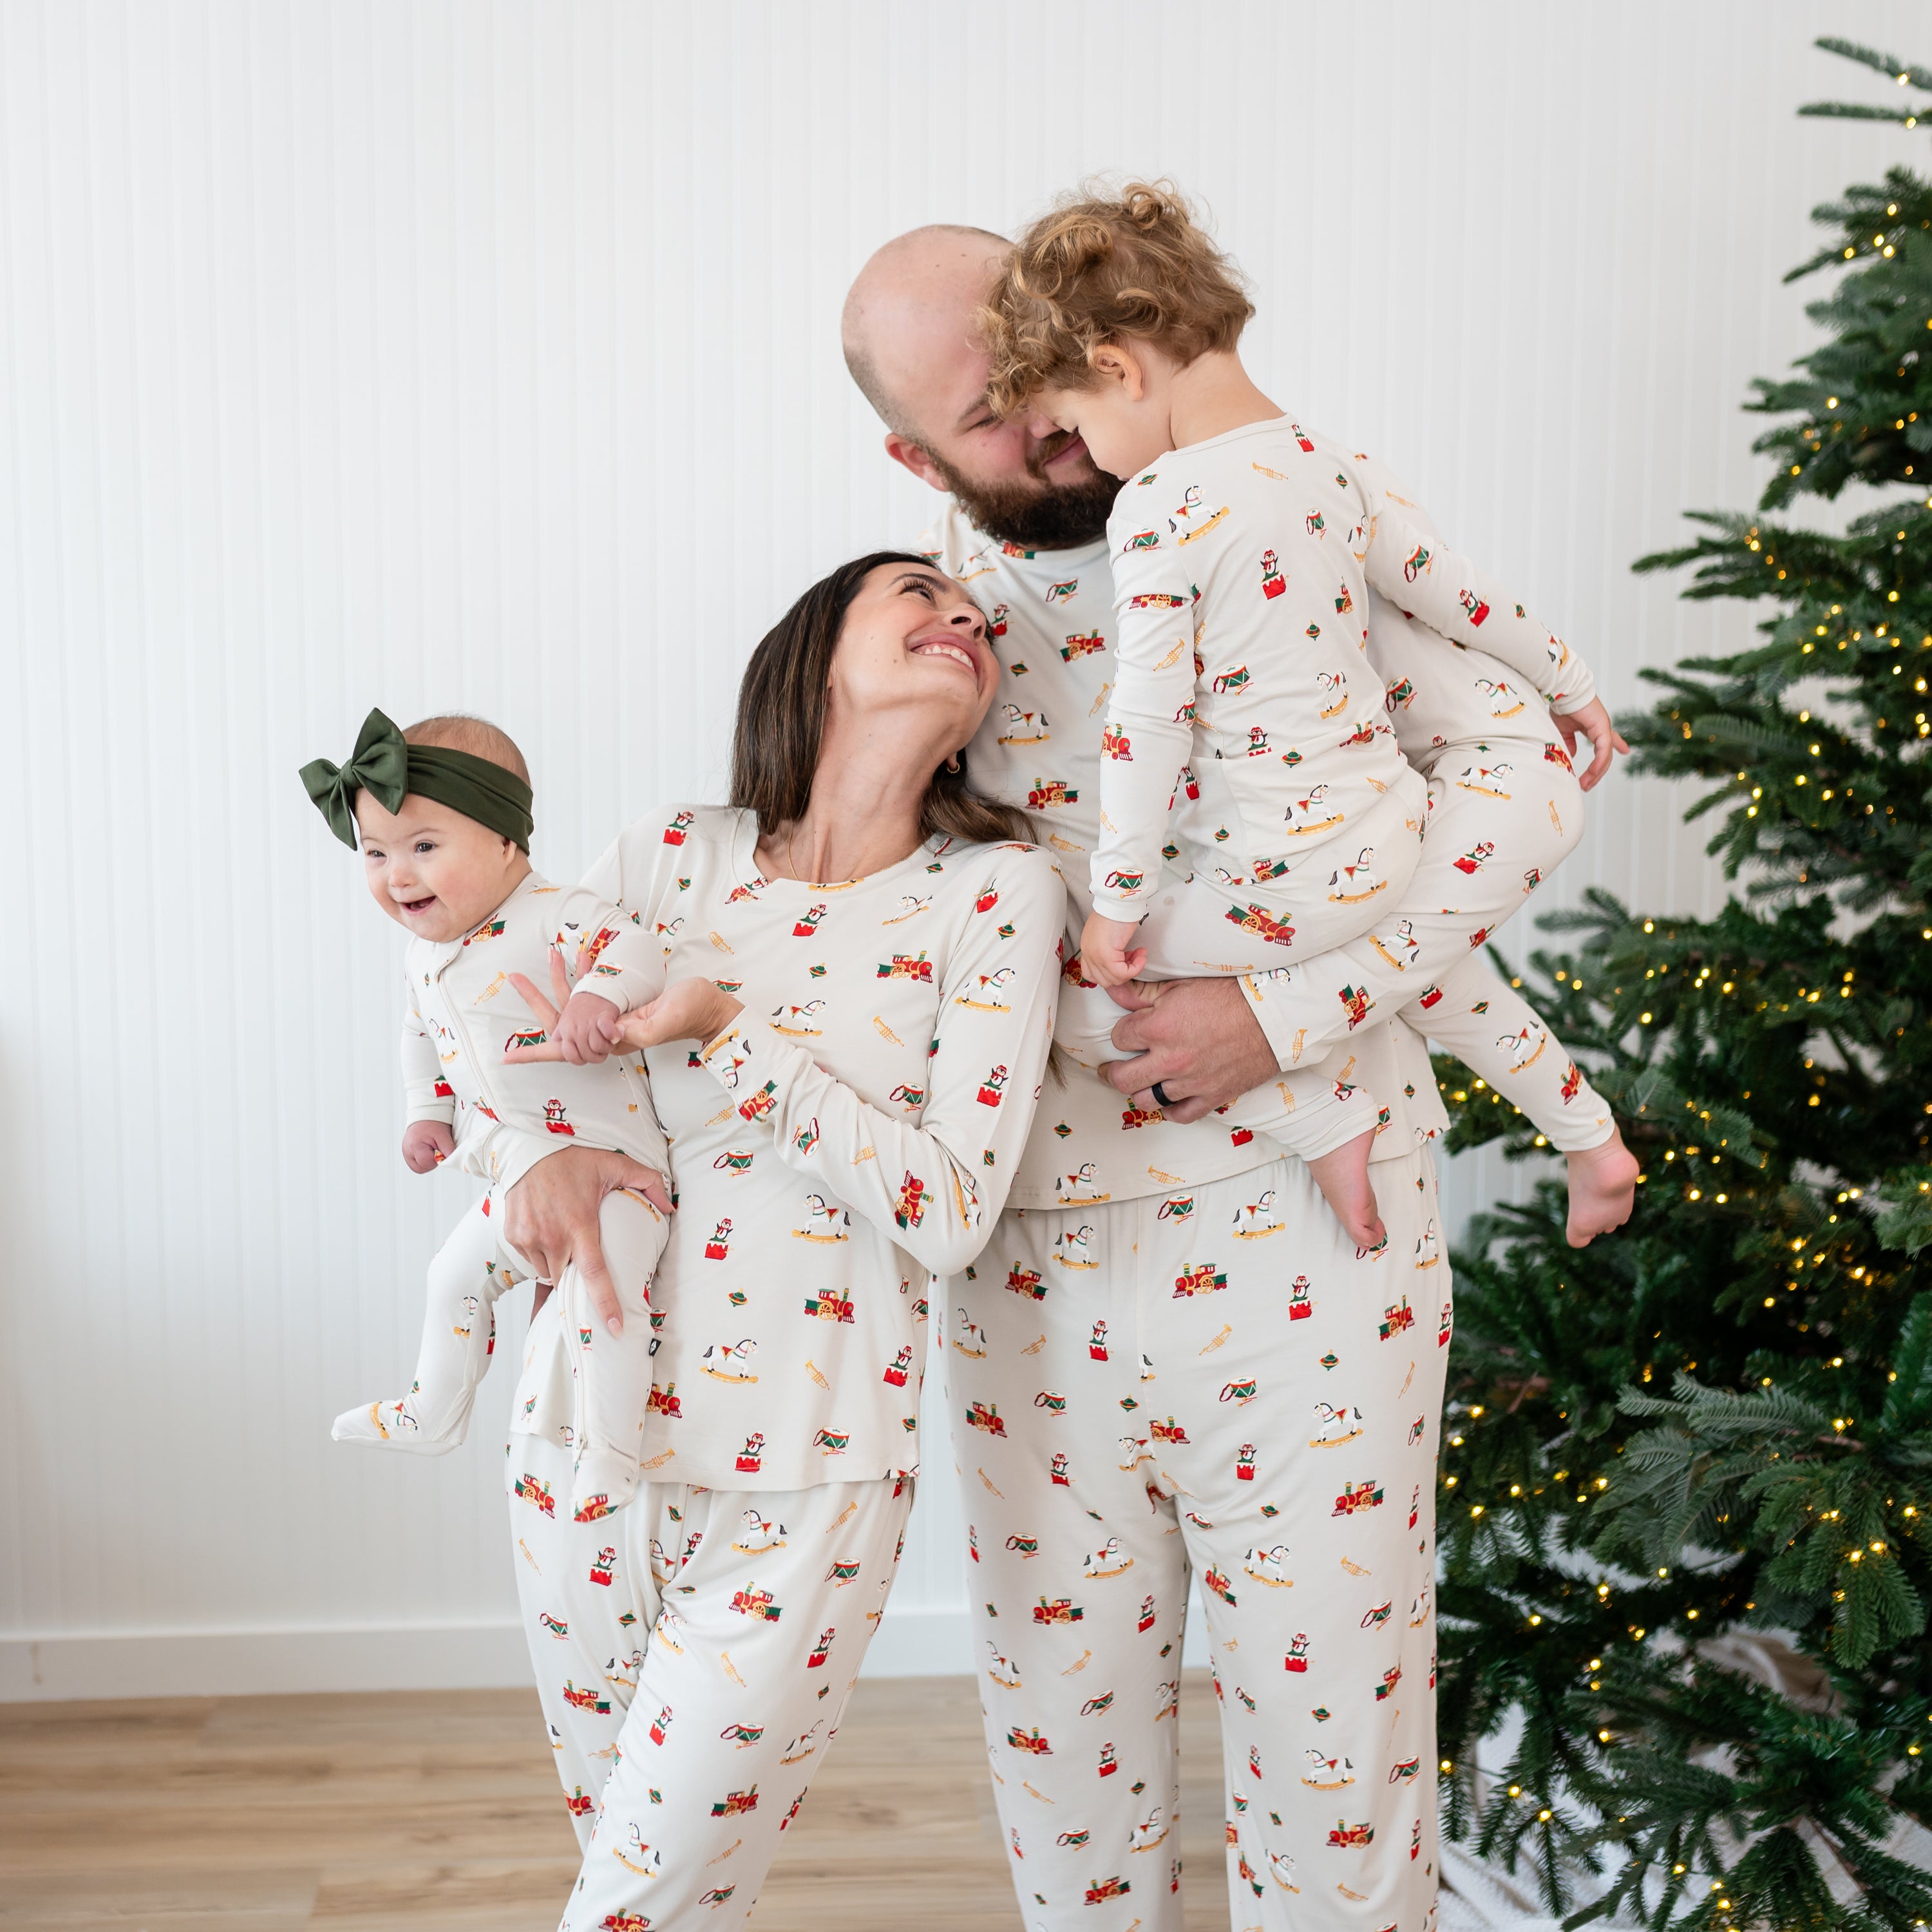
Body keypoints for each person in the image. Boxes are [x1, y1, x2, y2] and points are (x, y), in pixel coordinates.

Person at [833, 222, 1636, 1932]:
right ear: (914, 457)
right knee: (1067, 1760)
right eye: (995, 413)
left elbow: (1532, 759)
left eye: (1054, 364)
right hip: (1030, 1274)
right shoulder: (909, 638)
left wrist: (1294, 1014)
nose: (1053, 420)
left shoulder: (1268, 515)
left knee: (1336, 1762)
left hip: (1307, 1241)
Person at [490, 553, 1065, 1930]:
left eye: (979, 622)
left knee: (642, 1902)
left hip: (805, 1469)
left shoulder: (992, 897)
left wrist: (730, 1037)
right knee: (639, 1876)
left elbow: (947, 1207)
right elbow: (505, 1059)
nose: (965, 621)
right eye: (919, 594)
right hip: (582, 1433)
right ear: (813, 653)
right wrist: (532, 1152)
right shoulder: (667, 853)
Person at [973, 182, 1631, 1244]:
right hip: (1396, 833)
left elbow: (1147, 720)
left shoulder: (1161, 504)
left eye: (1078, 426)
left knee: (1059, 982)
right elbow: (1449, 585)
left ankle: (1321, 1119)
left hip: (1321, 864)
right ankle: (1589, 1137)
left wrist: (1119, 901)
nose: (1086, 457)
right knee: (1427, 978)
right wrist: (1573, 678)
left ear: (1118, 369)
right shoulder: (1324, 460)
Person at [298, 708, 670, 1520]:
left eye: (424, 846)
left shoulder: (554, 913)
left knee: (605, 1302)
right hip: (516, 1169)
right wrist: (426, 1111)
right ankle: (434, 1408)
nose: (397, 876)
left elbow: (640, 951)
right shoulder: (424, 956)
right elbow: (417, 1036)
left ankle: (611, 1453)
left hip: (614, 1174)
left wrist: (600, 997)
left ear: (506, 841)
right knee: (451, 1278)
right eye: (375, 853)